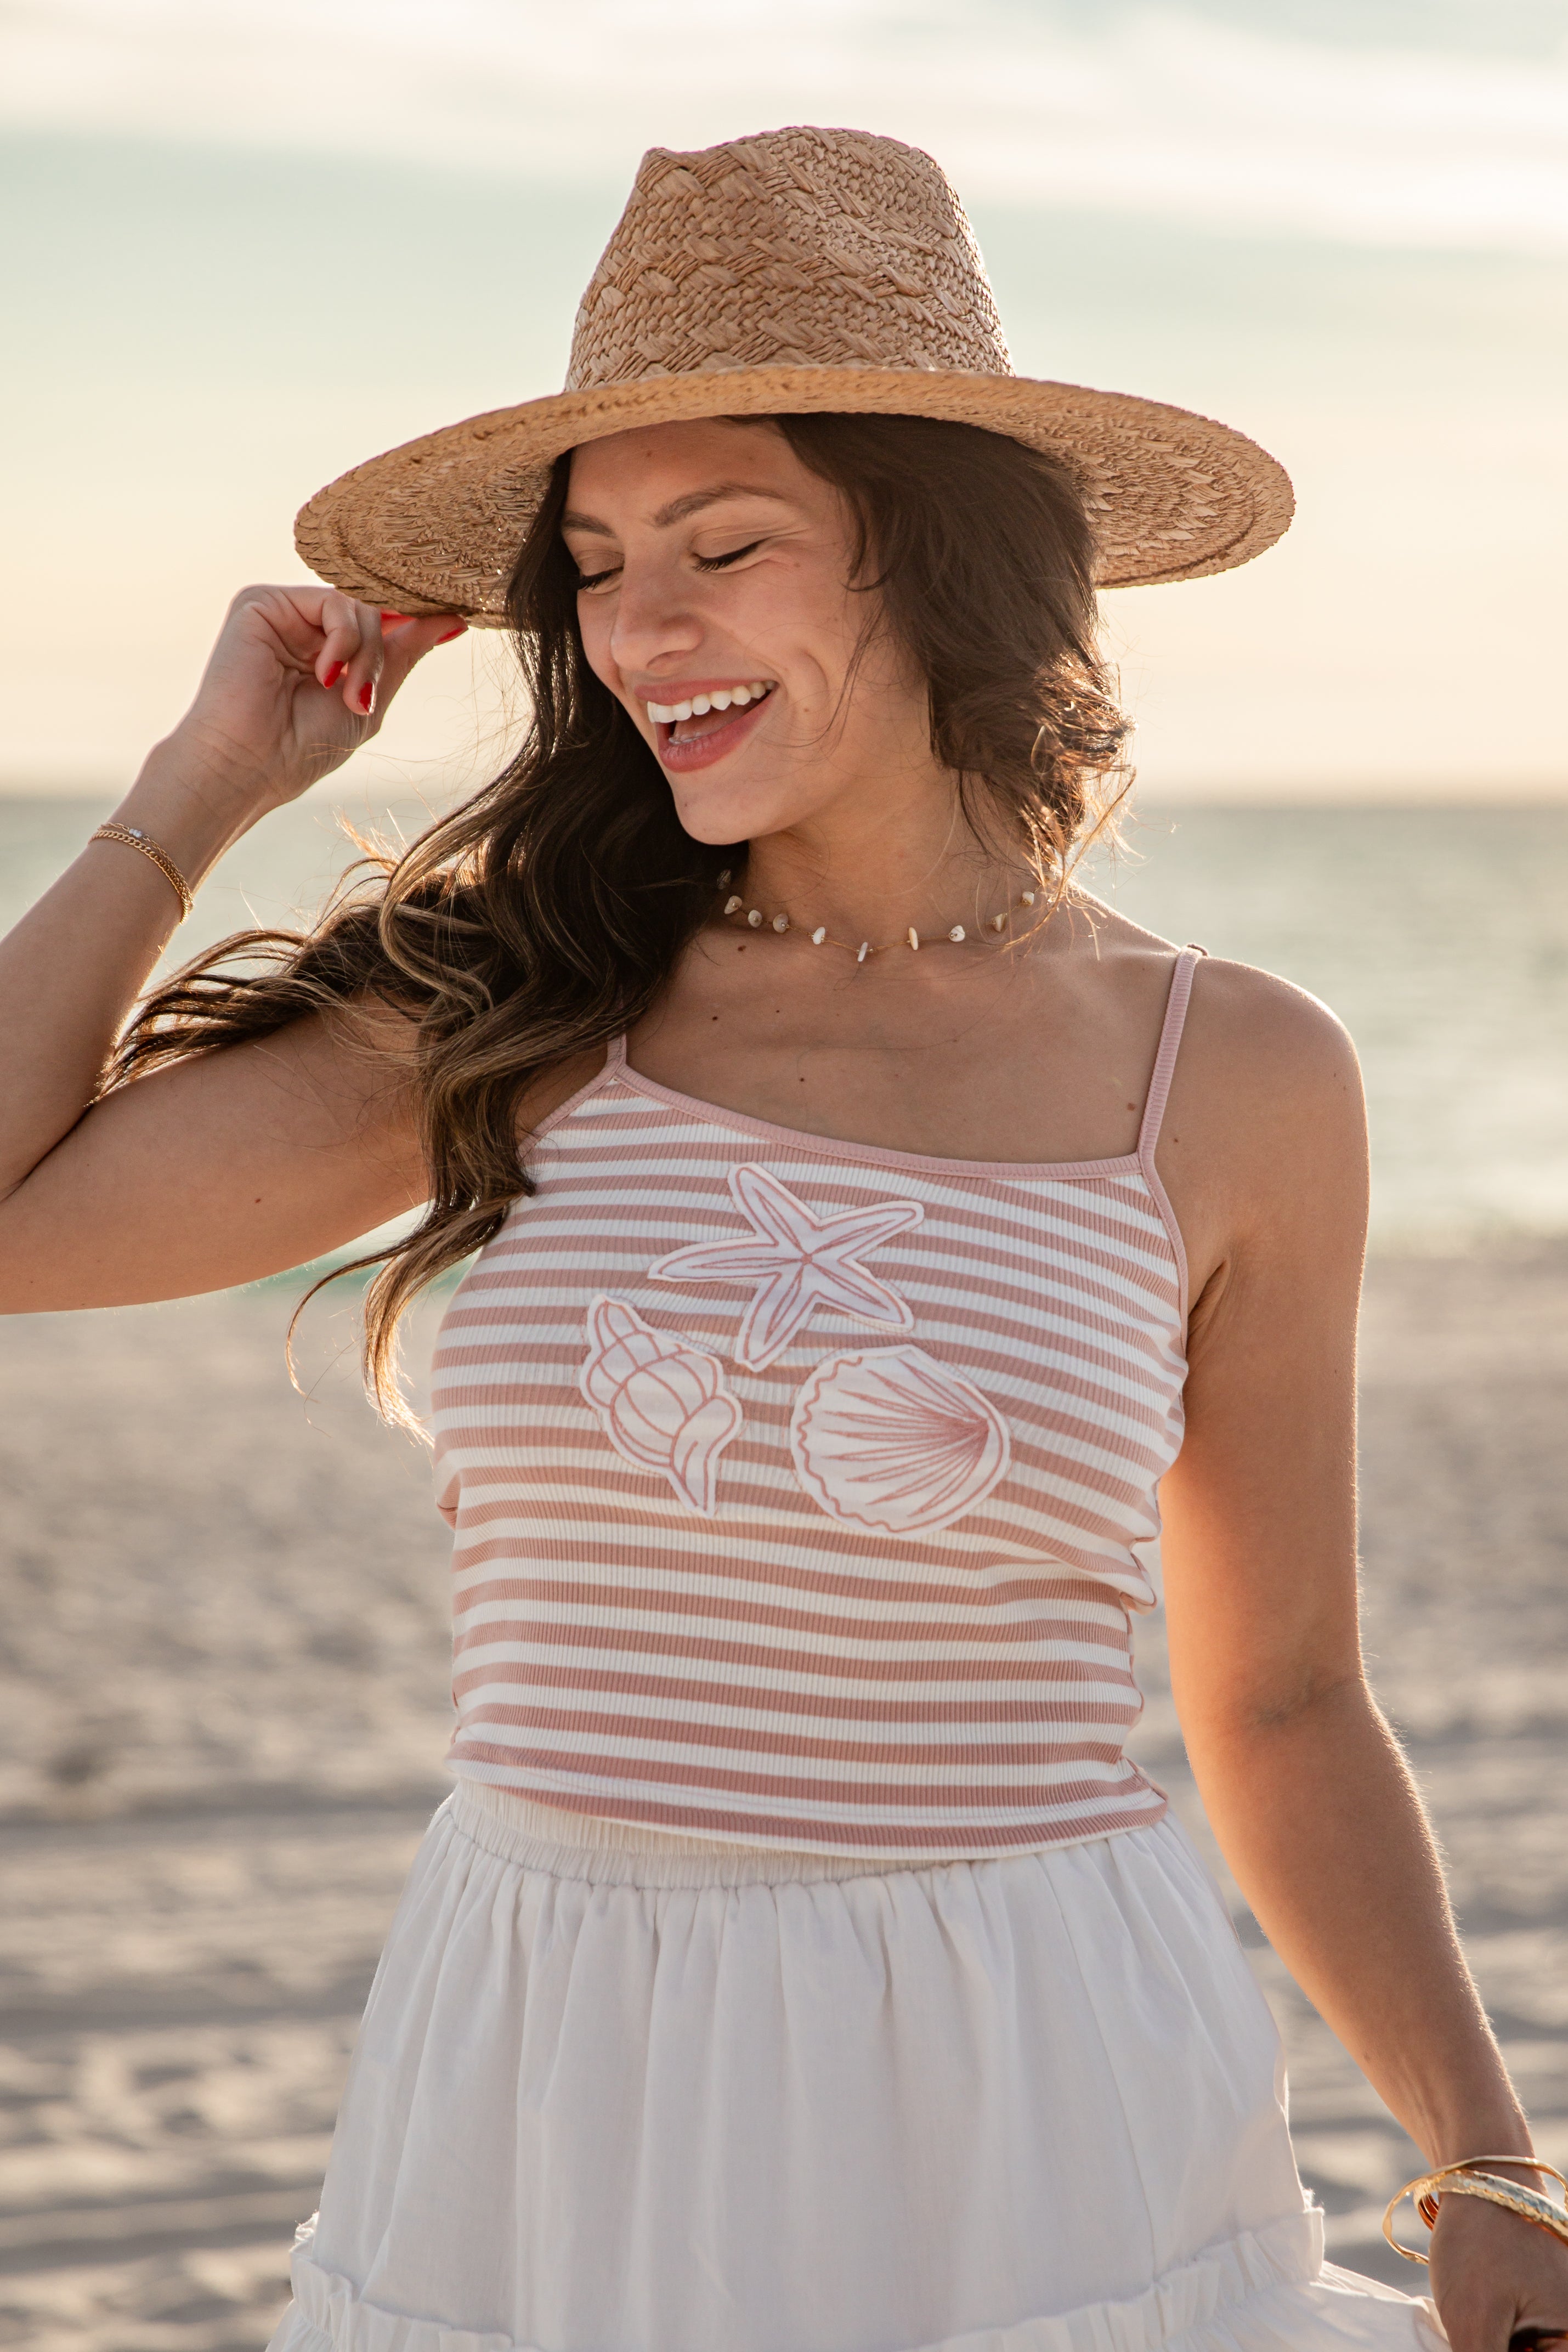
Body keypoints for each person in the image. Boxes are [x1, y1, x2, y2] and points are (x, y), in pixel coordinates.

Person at [2, 125, 1563, 2352]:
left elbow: (1286, 1691)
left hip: (1026, 2062)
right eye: (599, 564)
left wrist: (1482, 2154)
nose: (642, 631)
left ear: (932, 572)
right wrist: (196, 784)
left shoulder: (1229, 1075)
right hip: (556, 2062)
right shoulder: (517, 1001)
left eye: (724, 547)